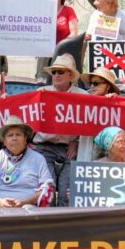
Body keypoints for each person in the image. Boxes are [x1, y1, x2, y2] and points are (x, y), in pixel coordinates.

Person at [35, 54, 86, 205]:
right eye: (54, 72)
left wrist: (77, 141)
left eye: (60, 71)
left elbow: (93, 120)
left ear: (70, 75)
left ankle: (65, 228)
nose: (56, 75)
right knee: (46, 193)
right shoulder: (41, 93)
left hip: (70, 150)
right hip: (44, 148)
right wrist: (29, 140)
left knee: (67, 194)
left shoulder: (84, 97)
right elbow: (23, 113)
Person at [0, 116, 54, 208]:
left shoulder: (38, 159)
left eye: (18, 134)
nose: (14, 138)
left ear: (25, 138)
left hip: (28, 205)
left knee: (27, 209)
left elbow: (46, 189)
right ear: (4, 141)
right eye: (10, 135)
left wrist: (23, 202)